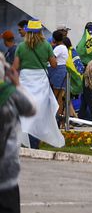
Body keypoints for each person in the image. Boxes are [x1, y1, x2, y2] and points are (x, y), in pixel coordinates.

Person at [9, 21, 62, 149]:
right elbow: (54, 64)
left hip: (25, 80)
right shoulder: (46, 45)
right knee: (39, 113)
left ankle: (27, 139)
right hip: (41, 81)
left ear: (28, 31)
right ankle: (35, 142)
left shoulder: (21, 46)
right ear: (40, 31)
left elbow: (15, 67)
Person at [0, 60, 35, 213]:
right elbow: (31, 108)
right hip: (7, 170)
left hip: (7, 169)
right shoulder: (10, 94)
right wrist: (17, 84)